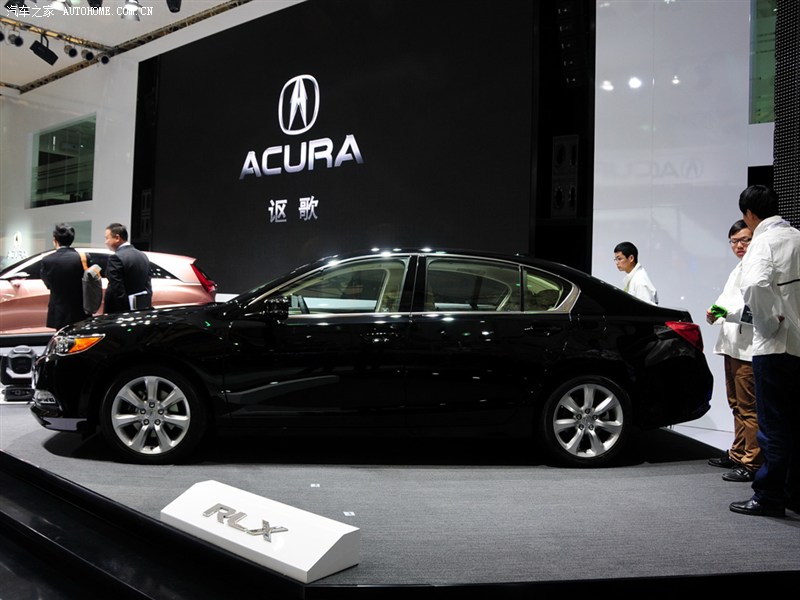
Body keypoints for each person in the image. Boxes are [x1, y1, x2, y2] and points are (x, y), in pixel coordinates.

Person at [729, 185, 800, 518]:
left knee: (773, 426)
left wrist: (770, 323)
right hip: (799, 344)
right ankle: (793, 493)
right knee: (796, 423)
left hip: (774, 346)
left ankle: (769, 496)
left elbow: (756, 285)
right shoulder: (797, 237)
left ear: (749, 214)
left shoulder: (763, 242)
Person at [705, 220, 760, 482]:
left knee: (749, 408)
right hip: (732, 346)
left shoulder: (757, 269)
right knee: (736, 405)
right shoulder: (739, 268)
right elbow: (725, 302)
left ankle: (752, 463)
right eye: (734, 241)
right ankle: (738, 453)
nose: (739, 245)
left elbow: (754, 311)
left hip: (747, 349)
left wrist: (724, 313)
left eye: (745, 240)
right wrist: (714, 312)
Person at [40, 223, 86, 330]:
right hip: (79, 308)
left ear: (55, 240)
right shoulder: (83, 257)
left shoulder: (47, 260)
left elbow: (48, 284)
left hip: (58, 308)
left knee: (60, 335)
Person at [103, 222, 152, 313]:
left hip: (120, 312)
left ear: (117, 238)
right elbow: (148, 284)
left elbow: (117, 290)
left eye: (107, 238)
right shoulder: (142, 255)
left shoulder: (115, 258)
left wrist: (125, 311)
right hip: (141, 308)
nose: (106, 242)